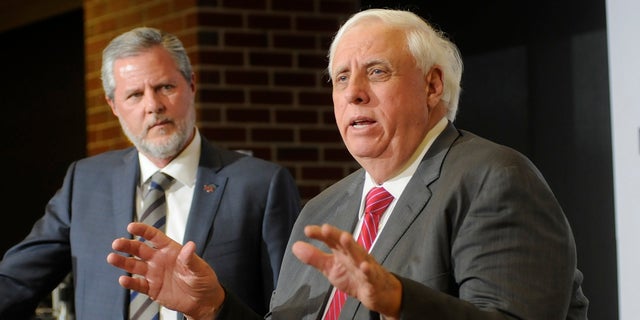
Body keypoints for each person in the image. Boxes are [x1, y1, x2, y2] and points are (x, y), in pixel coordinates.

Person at [107, 8, 590, 320]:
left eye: (376, 71)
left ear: (432, 86)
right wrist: (215, 307)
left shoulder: (494, 179)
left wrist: (398, 298)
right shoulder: (322, 210)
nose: (353, 91)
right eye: (341, 78)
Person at [0, 27, 301, 319]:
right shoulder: (85, 181)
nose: (153, 106)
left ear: (192, 85)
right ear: (113, 105)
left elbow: (290, 310)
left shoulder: (261, 185)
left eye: (165, 87)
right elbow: (16, 282)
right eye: (134, 95)